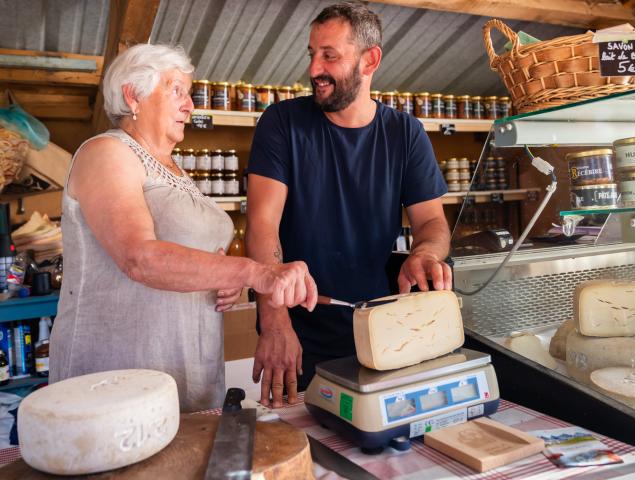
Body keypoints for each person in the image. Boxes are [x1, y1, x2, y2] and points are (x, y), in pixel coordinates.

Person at [49, 44, 317, 412]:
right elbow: (139, 257)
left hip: (188, 374)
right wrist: (254, 272)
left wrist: (226, 278)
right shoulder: (107, 152)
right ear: (134, 95)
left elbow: (190, 259)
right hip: (117, 382)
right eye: (176, 90)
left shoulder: (176, 171)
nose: (190, 105)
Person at [246, 2, 452, 408]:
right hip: (296, 332)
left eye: (330, 56)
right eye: (312, 54)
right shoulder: (282, 123)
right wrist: (274, 322)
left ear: (369, 60)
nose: (314, 70)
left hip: (381, 329)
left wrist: (424, 254)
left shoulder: (406, 133)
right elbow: (261, 226)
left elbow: (432, 222)